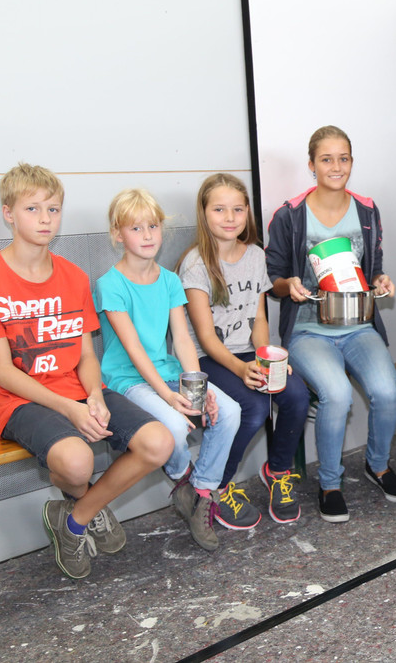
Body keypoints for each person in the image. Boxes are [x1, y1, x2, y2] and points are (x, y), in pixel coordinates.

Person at [0, 164, 174, 579]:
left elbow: (86, 356)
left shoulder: (73, 276)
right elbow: (1, 371)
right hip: (19, 400)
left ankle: (75, 518)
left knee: (158, 442)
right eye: (33, 209)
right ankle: (90, 502)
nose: (45, 219)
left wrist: (92, 395)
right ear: (8, 213)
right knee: (77, 463)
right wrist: (70, 408)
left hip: (77, 388)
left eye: (53, 209)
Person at [265, 125, 396, 523]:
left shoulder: (367, 210)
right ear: (312, 165)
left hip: (359, 326)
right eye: (326, 159)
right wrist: (288, 285)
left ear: (352, 162)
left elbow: (373, 269)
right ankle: (330, 483)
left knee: (388, 391)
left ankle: (377, 465)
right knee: (338, 395)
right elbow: (272, 279)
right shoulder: (290, 215)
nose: (336, 166)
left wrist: (380, 280)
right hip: (308, 331)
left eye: (343, 158)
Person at [94, 188, 240, 552]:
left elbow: (183, 339)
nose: (147, 236)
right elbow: (134, 350)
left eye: (153, 226)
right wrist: (169, 398)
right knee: (174, 426)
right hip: (127, 379)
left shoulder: (170, 280)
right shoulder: (110, 284)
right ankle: (182, 478)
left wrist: (198, 390)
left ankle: (200, 492)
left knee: (230, 411)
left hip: (168, 371)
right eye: (136, 228)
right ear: (117, 234)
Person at [180, 173, 310, 526]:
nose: (230, 217)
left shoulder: (254, 255)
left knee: (296, 394)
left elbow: (259, 318)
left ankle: (278, 472)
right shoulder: (195, 265)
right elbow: (206, 338)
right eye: (219, 209)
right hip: (210, 357)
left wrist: (268, 358)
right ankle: (216, 487)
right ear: (204, 213)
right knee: (252, 408)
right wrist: (241, 369)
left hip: (248, 353)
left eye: (238, 209)